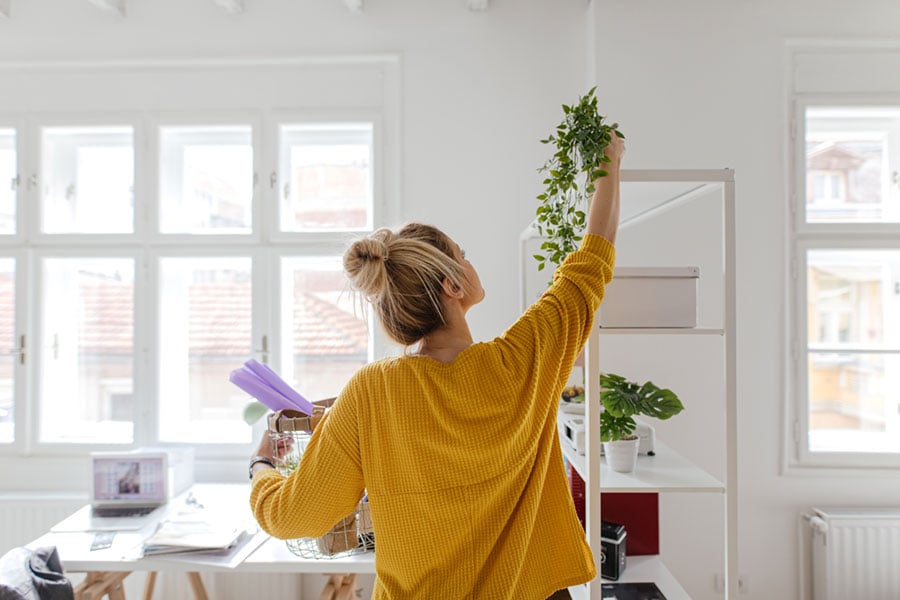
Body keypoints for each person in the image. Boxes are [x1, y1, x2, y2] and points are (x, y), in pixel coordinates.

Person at [248, 132, 624, 599]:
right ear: (452, 284)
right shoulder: (524, 360)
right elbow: (591, 262)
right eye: (463, 255)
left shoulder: (370, 391)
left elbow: (292, 518)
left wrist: (261, 465)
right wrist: (610, 160)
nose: (471, 261)